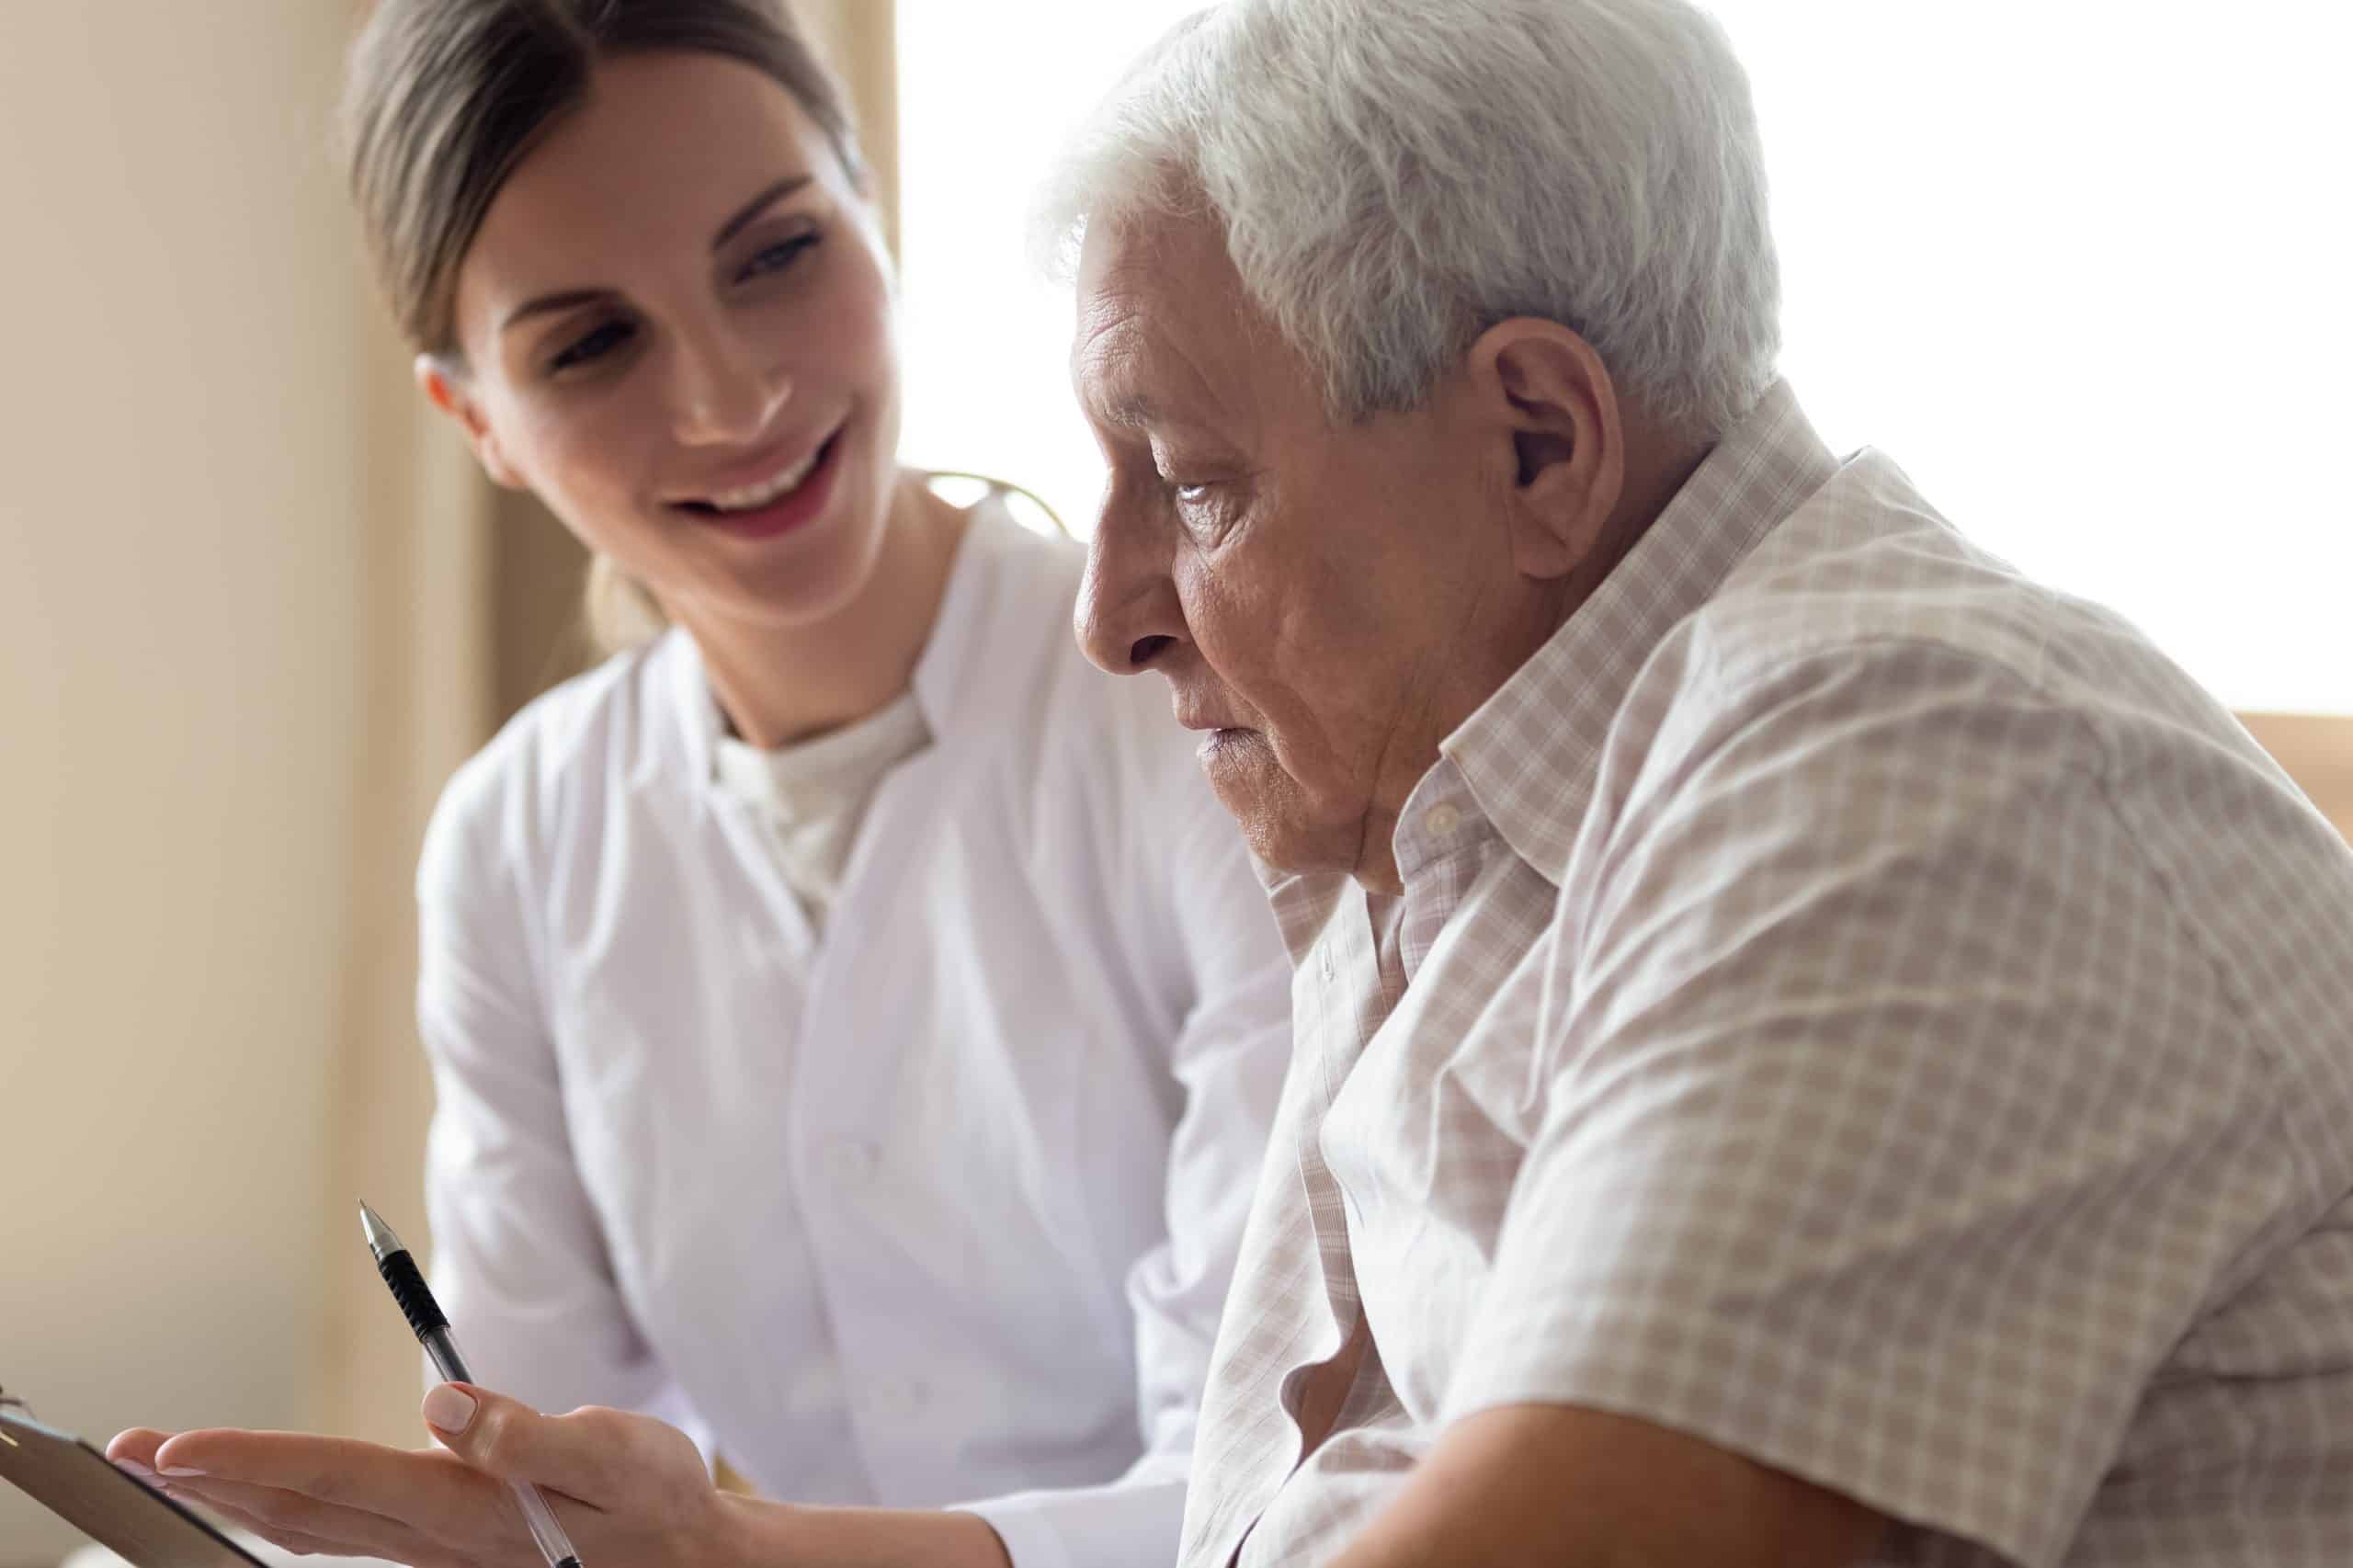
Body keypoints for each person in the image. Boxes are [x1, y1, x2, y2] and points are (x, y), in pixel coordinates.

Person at [113, 0, 2353, 1564]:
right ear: (471, 416)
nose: (1107, 609)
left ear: (1537, 442)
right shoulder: (1453, 839)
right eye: (587, 337)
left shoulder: (1889, 768)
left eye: (1186, 485)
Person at [103, 4, 1292, 1568]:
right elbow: (544, 1486)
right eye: (593, 343)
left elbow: (1273, 1479)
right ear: (478, 422)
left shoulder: (1209, 710)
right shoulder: (518, 846)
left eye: (778, 254)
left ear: (875, 214)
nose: (732, 401)